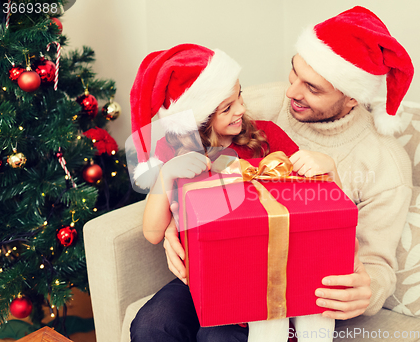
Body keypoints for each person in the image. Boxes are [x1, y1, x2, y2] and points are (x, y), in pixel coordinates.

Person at [163, 4, 414, 333]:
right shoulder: (260, 105)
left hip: (295, 289)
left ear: (353, 97)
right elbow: (183, 130)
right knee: (155, 323)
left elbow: (377, 264)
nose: (291, 91)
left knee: (217, 335)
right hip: (223, 259)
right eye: (294, 72)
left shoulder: (385, 163)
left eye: (313, 88)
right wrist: (174, 220)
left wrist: (367, 292)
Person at [129, 44, 340, 342]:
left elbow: (310, 202)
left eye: (239, 95)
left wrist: (324, 167)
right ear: (197, 119)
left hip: (256, 275)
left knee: (217, 336)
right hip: (200, 276)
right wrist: (166, 175)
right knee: (151, 324)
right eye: (227, 107)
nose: (241, 108)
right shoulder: (174, 152)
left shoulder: (266, 138)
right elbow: (152, 233)